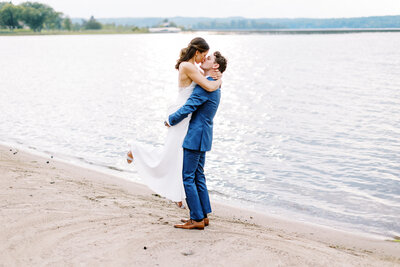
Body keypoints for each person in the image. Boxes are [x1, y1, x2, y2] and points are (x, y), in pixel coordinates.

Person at [126, 37, 222, 208]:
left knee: (178, 153)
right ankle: (136, 150)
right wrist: (219, 81)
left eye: (207, 57)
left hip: (185, 113)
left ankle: (177, 194)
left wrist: (215, 77)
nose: (203, 59)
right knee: (172, 152)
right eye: (204, 55)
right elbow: (208, 87)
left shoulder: (193, 67)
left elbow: (206, 81)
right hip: (180, 112)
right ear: (197, 52)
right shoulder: (187, 66)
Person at [166, 51, 228, 230]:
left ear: (215, 66)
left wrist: (170, 120)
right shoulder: (214, 85)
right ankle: (203, 216)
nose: (204, 59)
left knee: (188, 177)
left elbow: (189, 106)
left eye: (209, 59)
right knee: (198, 176)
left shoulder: (206, 85)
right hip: (205, 134)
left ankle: (196, 219)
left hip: (195, 135)